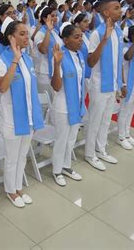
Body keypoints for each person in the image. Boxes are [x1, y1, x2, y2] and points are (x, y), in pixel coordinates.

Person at [0, 17, 44, 205]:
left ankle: (18, 187)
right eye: (21, 34)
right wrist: (14, 60)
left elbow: (32, 92)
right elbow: (3, 87)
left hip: (29, 118)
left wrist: (35, 118)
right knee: (12, 158)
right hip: (12, 120)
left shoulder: (28, 59)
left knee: (22, 156)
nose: (26, 37)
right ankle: (10, 190)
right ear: (10, 37)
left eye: (27, 33)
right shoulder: (1, 62)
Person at [85, 0, 125, 171]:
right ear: (106, 13)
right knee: (95, 120)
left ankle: (100, 148)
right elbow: (91, 62)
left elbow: (118, 60)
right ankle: (89, 154)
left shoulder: (118, 31)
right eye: (116, 8)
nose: (120, 10)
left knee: (107, 119)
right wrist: (104, 40)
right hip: (100, 84)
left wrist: (121, 82)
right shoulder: (97, 33)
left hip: (113, 84)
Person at [50, 22, 85, 186]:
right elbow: (56, 86)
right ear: (65, 40)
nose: (80, 40)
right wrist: (56, 64)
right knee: (62, 139)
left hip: (76, 104)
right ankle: (57, 170)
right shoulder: (60, 56)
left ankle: (66, 166)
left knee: (71, 138)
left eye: (81, 37)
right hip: (63, 106)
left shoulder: (79, 55)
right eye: (76, 37)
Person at [34, 6, 64, 95]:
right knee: (47, 102)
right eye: (52, 16)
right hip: (45, 73)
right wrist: (48, 30)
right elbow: (43, 50)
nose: (55, 18)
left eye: (56, 15)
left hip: (55, 71)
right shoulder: (40, 33)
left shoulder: (55, 32)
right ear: (44, 18)